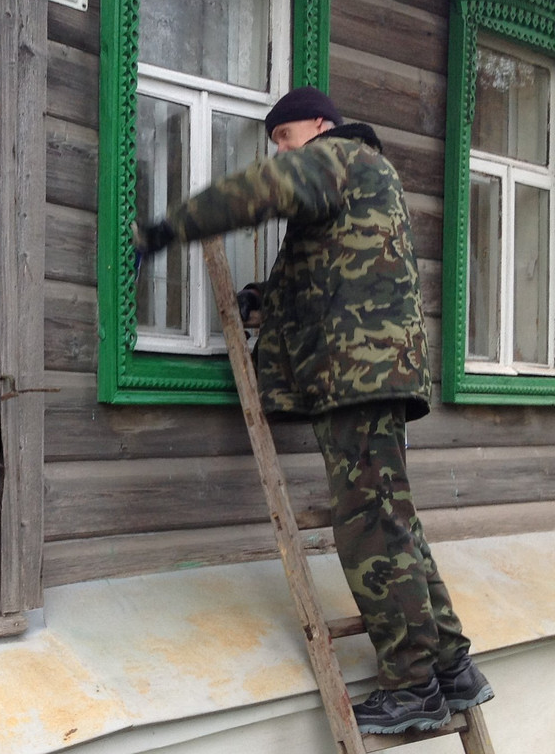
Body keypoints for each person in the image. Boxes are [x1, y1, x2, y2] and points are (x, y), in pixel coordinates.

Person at [133, 87, 494, 735]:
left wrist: (167, 228)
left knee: (366, 528)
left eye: (284, 137)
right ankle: (449, 666)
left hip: (357, 372)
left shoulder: (336, 156)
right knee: (393, 519)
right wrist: (264, 300)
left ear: (319, 125)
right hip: (376, 367)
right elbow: (330, 270)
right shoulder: (360, 176)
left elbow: (257, 191)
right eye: (273, 142)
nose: (279, 151)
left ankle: (412, 685)